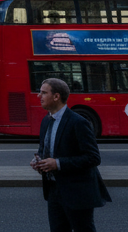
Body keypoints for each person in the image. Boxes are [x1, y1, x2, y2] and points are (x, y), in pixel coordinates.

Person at [33, 78, 111, 232]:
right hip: (54, 189)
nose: (38, 96)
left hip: (77, 190)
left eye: (43, 92)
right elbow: (44, 149)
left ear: (56, 96)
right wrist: (39, 162)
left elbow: (93, 157)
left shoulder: (78, 122)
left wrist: (58, 163)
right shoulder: (45, 121)